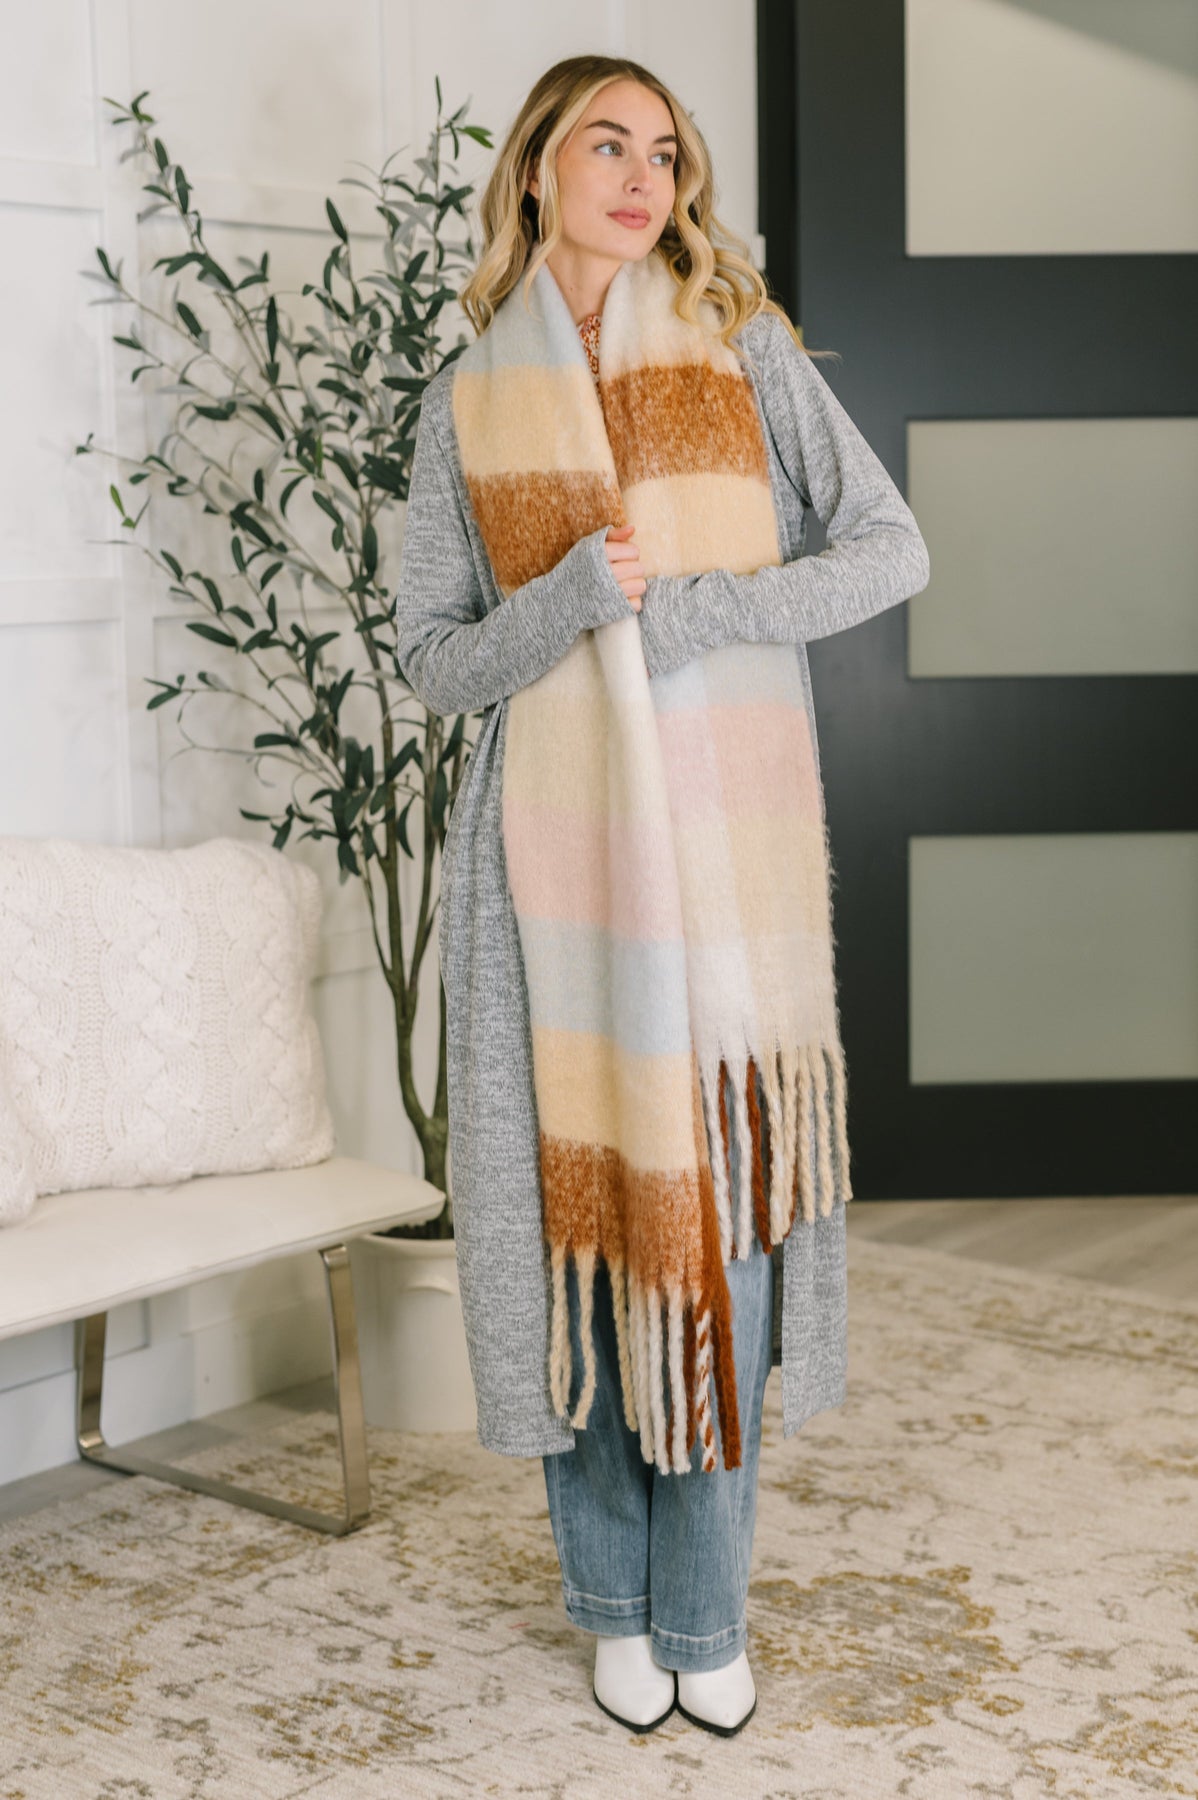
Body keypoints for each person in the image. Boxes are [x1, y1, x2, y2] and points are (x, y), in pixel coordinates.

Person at [395, 53, 930, 1739]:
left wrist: (696, 610)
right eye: (605, 145)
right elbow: (433, 663)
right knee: (592, 1230)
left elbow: (889, 547)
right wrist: (566, 596)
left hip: (725, 860)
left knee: (718, 1234)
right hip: (549, 883)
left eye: (666, 151)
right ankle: (614, 1608)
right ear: (536, 171)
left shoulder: (739, 345)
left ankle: (705, 1608)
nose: (643, 175)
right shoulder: (467, 398)